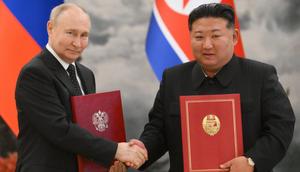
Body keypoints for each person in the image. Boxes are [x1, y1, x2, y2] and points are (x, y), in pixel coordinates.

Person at [131, 3, 295, 172]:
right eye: (199, 37)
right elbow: (158, 129)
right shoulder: (173, 78)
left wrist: (252, 161)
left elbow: (280, 128)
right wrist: (140, 151)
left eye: (216, 36)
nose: (207, 45)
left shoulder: (261, 76)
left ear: (234, 37)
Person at [15, 3, 147, 172]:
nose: (77, 43)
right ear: (50, 28)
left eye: (84, 35)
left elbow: (89, 128)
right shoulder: (34, 73)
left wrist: (111, 161)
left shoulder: (86, 74)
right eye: (71, 33)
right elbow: (59, 130)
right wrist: (116, 150)